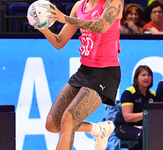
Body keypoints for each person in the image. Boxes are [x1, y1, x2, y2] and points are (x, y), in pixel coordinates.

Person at [29, 0, 124, 149]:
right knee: (52, 124)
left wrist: (65, 18)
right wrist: (42, 27)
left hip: (106, 72)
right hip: (85, 69)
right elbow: (59, 42)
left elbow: (102, 26)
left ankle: (98, 130)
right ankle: (98, 129)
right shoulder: (80, 6)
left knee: (68, 119)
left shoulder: (113, 2)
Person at [115, 65, 156, 150]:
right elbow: (127, 117)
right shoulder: (129, 93)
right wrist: (146, 114)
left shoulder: (153, 95)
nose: (147, 78)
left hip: (144, 127)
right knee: (145, 136)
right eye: (143, 75)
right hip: (125, 127)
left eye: (149, 75)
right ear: (136, 78)